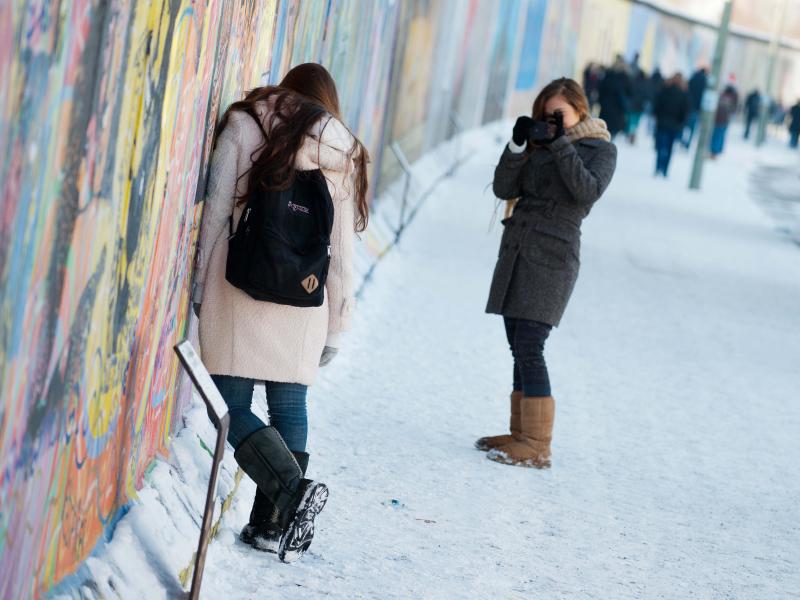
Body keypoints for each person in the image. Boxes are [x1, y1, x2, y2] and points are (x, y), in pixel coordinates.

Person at [192, 63, 369, 561]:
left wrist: (200, 285)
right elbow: (341, 248)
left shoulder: (246, 124)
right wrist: (337, 324)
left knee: (228, 401)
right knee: (289, 407)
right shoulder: (340, 149)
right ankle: (271, 526)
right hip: (304, 298)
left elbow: (216, 211)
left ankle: (292, 493)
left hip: (237, 285)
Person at [475, 78, 617, 468]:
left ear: (580, 110)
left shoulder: (601, 150)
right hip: (519, 250)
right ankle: (520, 434)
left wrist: (558, 144)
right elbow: (504, 188)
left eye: (558, 115)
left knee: (530, 344)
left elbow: (585, 192)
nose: (551, 122)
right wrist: (518, 145)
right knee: (517, 342)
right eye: (544, 115)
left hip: (553, 257)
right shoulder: (537, 146)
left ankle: (537, 445)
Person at [652, 74, 690, 177]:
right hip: (675, 125)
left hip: (662, 123)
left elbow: (657, 105)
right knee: (669, 148)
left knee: (661, 146)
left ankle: (658, 167)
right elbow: (685, 111)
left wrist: (657, 116)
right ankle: (665, 169)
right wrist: (681, 122)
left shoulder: (665, 90)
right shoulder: (683, 94)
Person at [598, 56, 632, 139]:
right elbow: (630, 95)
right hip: (617, 112)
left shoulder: (608, 75)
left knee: (603, 134)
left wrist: (602, 102)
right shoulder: (626, 78)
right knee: (611, 135)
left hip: (606, 110)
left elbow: (601, 91)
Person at [709, 85, 738, 158]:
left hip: (718, 119)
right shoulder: (732, 98)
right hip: (725, 120)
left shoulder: (721, 97)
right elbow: (734, 109)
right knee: (720, 136)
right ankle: (716, 151)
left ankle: (714, 152)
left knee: (716, 135)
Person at [682, 66, 707, 148]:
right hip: (697, 107)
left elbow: (686, 90)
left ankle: (682, 139)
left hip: (688, 105)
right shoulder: (704, 81)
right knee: (692, 127)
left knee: (685, 124)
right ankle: (688, 142)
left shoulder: (692, 79)